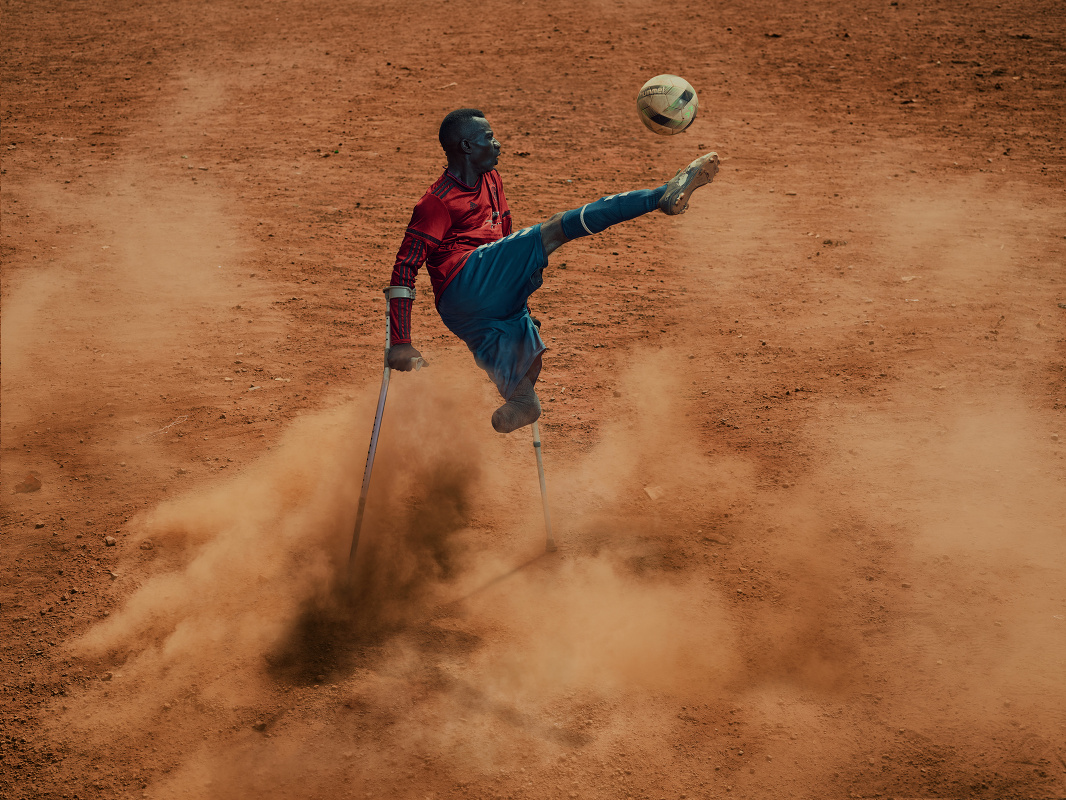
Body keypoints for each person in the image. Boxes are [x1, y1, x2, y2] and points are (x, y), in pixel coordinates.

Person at [386, 108, 719, 433]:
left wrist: (520, 303)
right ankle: (661, 196)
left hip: (481, 300)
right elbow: (405, 266)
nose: (498, 143)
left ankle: (521, 404)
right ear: (467, 147)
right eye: (489, 137)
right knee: (557, 227)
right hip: (463, 281)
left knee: (528, 363)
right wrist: (400, 342)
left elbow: (503, 239)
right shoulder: (437, 202)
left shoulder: (492, 180)